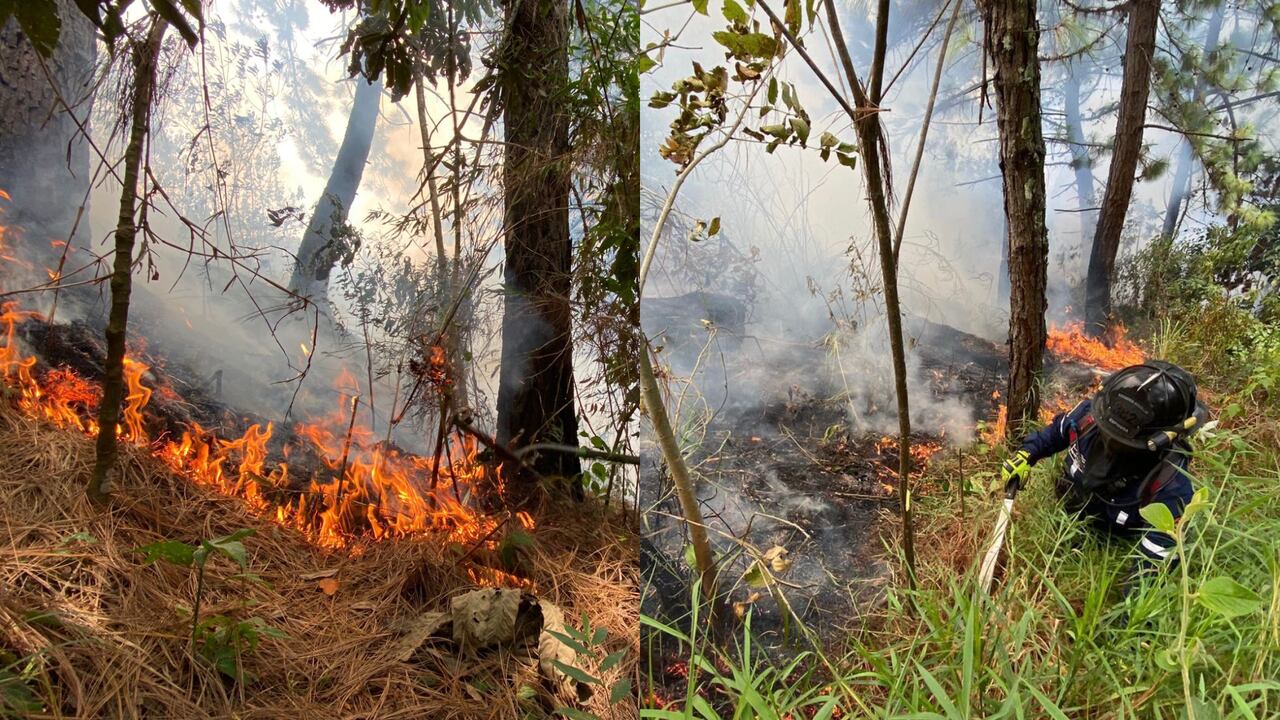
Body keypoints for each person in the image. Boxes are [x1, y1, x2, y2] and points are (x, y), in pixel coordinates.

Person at [1000, 361, 1207, 584]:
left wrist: (1130, 612)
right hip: (1070, 505)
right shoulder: (1086, 418)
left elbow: (1153, 566)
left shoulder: (1170, 483)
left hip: (1114, 532)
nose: (1110, 441)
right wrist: (1027, 454)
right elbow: (1054, 434)